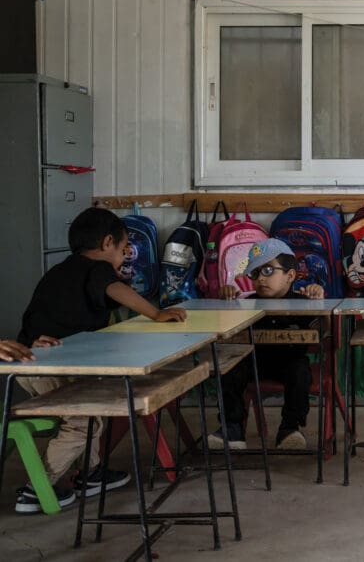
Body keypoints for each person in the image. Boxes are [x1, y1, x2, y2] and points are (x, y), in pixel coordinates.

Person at [14, 207, 187, 514]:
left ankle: (91, 473)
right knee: (81, 420)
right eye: (123, 250)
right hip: (50, 365)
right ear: (107, 243)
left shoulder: (61, 270)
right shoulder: (98, 270)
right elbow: (114, 288)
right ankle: (38, 488)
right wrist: (157, 314)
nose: (122, 259)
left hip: (32, 362)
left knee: (93, 408)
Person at [207, 239, 323, 451]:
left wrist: (318, 302)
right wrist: (225, 300)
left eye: (268, 270)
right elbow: (225, 327)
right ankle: (232, 428)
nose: (260, 278)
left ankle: (289, 429)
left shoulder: (304, 303)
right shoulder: (245, 302)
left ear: (290, 276)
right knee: (230, 368)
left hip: (288, 363)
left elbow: (322, 330)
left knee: (300, 371)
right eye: (254, 273)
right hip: (252, 362)